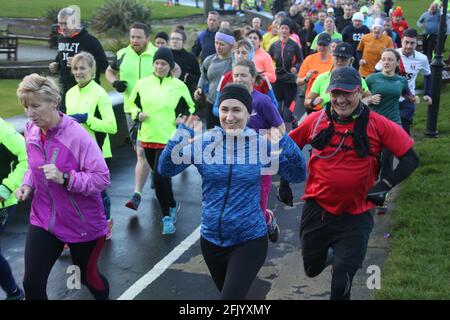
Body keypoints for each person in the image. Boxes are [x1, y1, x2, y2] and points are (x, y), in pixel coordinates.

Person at [158, 83, 307, 299]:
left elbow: (297, 174)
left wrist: (284, 141)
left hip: (249, 239)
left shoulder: (261, 144)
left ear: (248, 113)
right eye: (224, 109)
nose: (229, 117)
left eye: (236, 110)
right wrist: (179, 136)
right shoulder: (206, 142)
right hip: (211, 239)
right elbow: (166, 168)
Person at [283, 66, 419, 300]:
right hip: (318, 210)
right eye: (335, 93)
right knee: (311, 268)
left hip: (357, 214)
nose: (340, 99)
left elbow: (410, 158)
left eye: (347, 93)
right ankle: (336, 253)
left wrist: (384, 185)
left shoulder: (377, 123)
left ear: (359, 92)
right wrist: (285, 183)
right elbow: (288, 149)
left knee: (341, 283)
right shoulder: (316, 121)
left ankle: (345, 259)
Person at [16, 74, 110, 300]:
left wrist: (66, 179)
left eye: (36, 106)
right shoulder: (31, 130)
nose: (30, 114)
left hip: (81, 222)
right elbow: (33, 166)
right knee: (32, 284)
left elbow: (101, 178)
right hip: (44, 218)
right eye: (27, 107)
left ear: (54, 103)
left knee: (87, 277)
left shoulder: (77, 135)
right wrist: (27, 184)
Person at [128, 47, 196, 235]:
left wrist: (181, 117)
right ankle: (172, 204)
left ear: (170, 66)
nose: (159, 67)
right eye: (157, 63)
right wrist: (137, 114)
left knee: (158, 177)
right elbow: (130, 103)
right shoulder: (142, 83)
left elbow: (191, 106)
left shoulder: (178, 85)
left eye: (163, 64)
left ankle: (166, 216)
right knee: (162, 178)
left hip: (168, 139)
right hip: (148, 136)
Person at [105, 22, 156, 211]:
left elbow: (174, 70)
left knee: (143, 150)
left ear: (147, 38)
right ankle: (153, 172)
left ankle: (137, 195)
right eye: (132, 37)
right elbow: (109, 71)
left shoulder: (157, 53)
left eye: (138, 37)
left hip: (153, 109)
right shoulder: (122, 54)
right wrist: (115, 82)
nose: (134, 40)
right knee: (139, 149)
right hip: (130, 108)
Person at [66, 51, 117, 239]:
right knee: (76, 194)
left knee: (98, 194)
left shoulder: (100, 94)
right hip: (75, 153)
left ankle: (106, 222)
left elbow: (112, 127)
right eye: (76, 69)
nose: (79, 72)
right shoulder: (70, 93)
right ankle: (79, 231)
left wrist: (88, 119)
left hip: (98, 153)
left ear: (92, 70)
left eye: (83, 68)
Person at [49, 6, 108, 113]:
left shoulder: (90, 40)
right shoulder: (61, 39)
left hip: (86, 92)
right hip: (66, 92)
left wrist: (81, 63)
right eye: (60, 23)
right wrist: (56, 65)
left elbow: (104, 65)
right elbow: (60, 57)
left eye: (65, 23)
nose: (62, 27)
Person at [375, 29, 432, 135]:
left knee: (403, 126)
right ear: (401, 41)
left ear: (416, 43)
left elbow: (428, 75)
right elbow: (376, 70)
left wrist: (428, 93)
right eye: (406, 42)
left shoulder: (422, 59)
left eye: (412, 43)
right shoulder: (392, 54)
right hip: (390, 97)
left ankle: (404, 149)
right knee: (387, 128)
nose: (409, 46)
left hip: (408, 98)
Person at [0, 118, 27, 300]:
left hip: (3, 202)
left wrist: (6, 187)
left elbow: (26, 157)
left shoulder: (3, 131)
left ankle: (14, 293)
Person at [305, 42, 372, 113]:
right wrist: (312, 103)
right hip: (328, 119)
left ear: (351, 60)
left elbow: (368, 96)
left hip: (352, 120)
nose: (340, 62)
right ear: (332, 58)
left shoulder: (357, 79)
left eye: (343, 59)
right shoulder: (322, 78)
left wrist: (360, 105)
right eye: (337, 58)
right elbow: (307, 101)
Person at [195, 28, 234, 129]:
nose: (218, 46)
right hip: (211, 102)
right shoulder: (209, 60)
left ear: (231, 46)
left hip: (229, 104)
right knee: (211, 134)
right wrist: (199, 88)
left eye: (222, 44)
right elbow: (203, 75)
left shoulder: (234, 61)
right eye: (216, 43)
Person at [269, 18, 304, 131]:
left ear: (290, 32)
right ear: (279, 30)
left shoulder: (294, 46)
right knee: (278, 112)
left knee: (287, 114)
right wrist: (270, 70)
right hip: (277, 81)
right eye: (282, 28)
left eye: (286, 28)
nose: (284, 30)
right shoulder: (274, 46)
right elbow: (267, 60)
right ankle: (279, 137)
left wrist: (296, 68)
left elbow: (301, 61)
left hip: (290, 82)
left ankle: (292, 127)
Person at [170, 28, 201, 118]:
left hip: (185, 97)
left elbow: (199, 77)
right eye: (172, 39)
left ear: (183, 42)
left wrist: (190, 78)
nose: (174, 41)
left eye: (177, 39)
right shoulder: (165, 55)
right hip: (168, 95)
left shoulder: (190, 58)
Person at [297, 32, 333, 100]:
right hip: (311, 101)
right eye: (320, 45)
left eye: (324, 45)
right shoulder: (309, 59)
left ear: (329, 46)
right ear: (316, 45)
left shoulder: (334, 61)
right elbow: (298, 81)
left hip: (329, 101)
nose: (322, 47)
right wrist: (306, 78)